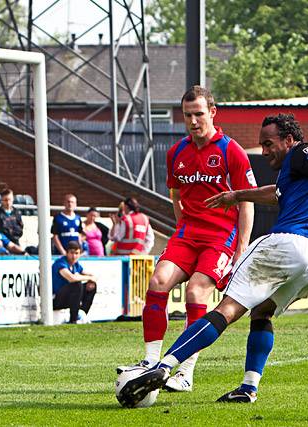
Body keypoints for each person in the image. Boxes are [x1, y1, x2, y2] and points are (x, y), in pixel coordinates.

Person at [118, 113, 308, 407]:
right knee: (262, 312)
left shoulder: (302, 152)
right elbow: (276, 195)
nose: (264, 152)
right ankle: (248, 387)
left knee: (226, 309)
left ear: (289, 140)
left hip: (287, 243)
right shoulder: (296, 174)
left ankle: (163, 367)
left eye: (268, 144)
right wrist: (237, 195)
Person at [119, 86, 256, 393]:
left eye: (199, 114)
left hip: (222, 235)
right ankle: (150, 362)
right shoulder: (176, 152)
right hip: (188, 233)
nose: (193, 121)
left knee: (196, 292)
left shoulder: (230, 150)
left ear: (212, 113)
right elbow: (176, 195)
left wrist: (241, 247)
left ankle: (186, 372)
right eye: (187, 115)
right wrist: (182, 229)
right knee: (157, 282)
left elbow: (247, 201)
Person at [52, 240, 97, 324]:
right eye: (71, 253)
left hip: (69, 298)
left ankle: (82, 314)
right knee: (76, 285)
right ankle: (73, 319)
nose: (74, 256)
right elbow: (71, 278)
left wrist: (91, 280)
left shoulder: (76, 265)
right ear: (66, 253)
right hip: (56, 299)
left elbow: (93, 276)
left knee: (91, 286)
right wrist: (87, 277)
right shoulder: (60, 263)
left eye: (76, 253)